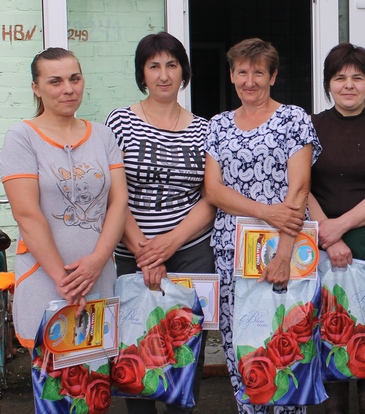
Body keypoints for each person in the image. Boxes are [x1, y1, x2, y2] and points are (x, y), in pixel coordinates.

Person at [0, 47, 127, 410]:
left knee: (95, 390)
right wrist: (66, 280)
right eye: (55, 81)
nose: (68, 89)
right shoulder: (22, 137)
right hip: (48, 282)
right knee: (57, 393)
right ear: (36, 88)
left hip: (98, 278)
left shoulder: (102, 136)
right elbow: (27, 215)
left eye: (74, 78)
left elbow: (118, 202)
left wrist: (97, 261)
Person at [203, 38, 321, 414]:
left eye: (258, 72)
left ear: (272, 76)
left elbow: (299, 189)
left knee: (287, 345)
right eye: (242, 72)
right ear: (232, 76)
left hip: (286, 249)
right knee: (241, 344)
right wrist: (266, 211)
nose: (249, 80)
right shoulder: (218, 125)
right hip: (232, 253)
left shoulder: (294, 119)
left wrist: (284, 254)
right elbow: (213, 190)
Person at [105, 32, 215, 414]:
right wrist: (146, 252)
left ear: (184, 71)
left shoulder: (205, 129)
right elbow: (113, 194)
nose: (164, 75)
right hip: (131, 251)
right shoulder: (120, 121)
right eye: (154, 66)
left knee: (185, 350)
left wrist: (171, 241)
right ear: (142, 74)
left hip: (190, 251)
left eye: (172, 65)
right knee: (135, 350)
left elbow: (210, 197)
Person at [308, 42, 365, 414]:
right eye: (340, 77)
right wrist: (326, 234)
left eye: (358, 77)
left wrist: (340, 227)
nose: (349, 85)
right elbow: (299, 187)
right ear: (328, 84)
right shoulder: (311, 124)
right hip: (320, 246)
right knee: (330, 338)